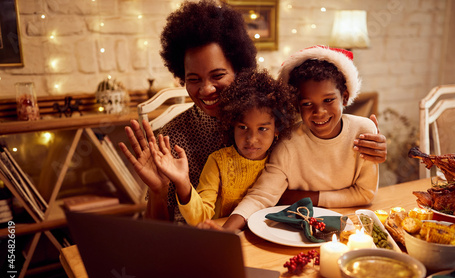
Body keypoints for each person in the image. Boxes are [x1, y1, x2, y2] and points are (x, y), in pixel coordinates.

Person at [119, 0, 387, 224]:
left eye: (218, 75)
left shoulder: (277, 117)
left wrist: (369, 142)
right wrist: (157, 190)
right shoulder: (173, 137)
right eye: (194, 79)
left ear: (239, 69)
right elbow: (158, 234)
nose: (206, 89)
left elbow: (328, 148)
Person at [222, 45, 379, 231]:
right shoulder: (289, 144)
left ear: (344, 97)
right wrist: (226, 232)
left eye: (328, 100)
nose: (319, 112)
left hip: (352, 224)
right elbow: (261, 196)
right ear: (297, 105)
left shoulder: (363, 131)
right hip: (295, 230)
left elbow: (366, 194)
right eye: (307, 103)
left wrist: (307, 198)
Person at [148, 69, 297, 226]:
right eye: (243, 127)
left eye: (262, 129)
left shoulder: (279, 158)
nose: (252, 139)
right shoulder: (218, 162)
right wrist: (183, 183)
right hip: (224, 235)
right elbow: (199, 219)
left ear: (277, 129)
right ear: (231, 125)